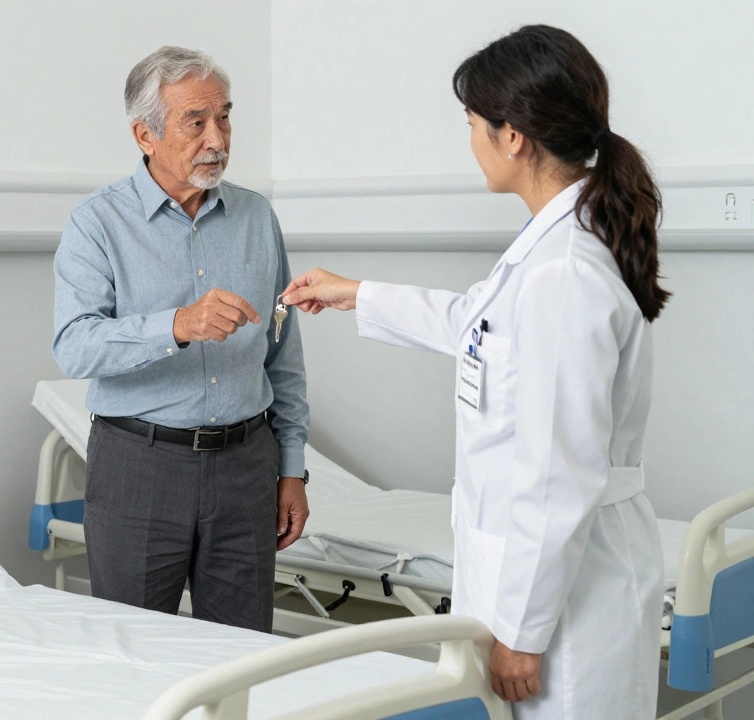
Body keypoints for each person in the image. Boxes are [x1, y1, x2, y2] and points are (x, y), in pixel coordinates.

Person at [282, 25, 668, 718]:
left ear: (513, 135)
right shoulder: (554, 248)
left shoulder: (564, 274)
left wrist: (523, 631)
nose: (470, 141)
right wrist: (356, 293)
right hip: (545, 582)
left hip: (566, 607)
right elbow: (481, 330)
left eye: (472, 125)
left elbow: (558, 471)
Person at [52, 46, 310, 633]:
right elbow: (74, 346)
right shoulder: (97, 223)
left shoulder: (256, 219)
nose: (217, 137)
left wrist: (292, 469)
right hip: (139, 467)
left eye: (224, 116)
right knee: (136, 654)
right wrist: (175, 326)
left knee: (241, 657)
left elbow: (283, 357)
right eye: (197, 122)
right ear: (146, 133)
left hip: (247, 467)